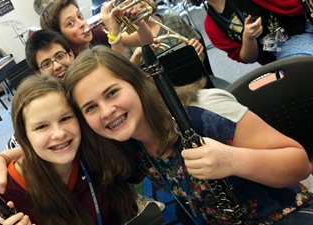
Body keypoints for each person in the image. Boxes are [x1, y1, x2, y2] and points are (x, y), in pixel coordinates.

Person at [63, 46, 313, 224]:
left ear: (137, 82)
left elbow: (300, 163)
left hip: (285, 214)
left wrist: (231, 161)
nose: (107, 111)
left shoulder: (204, 111)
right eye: (91, 107)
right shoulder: (124, 143)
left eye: (112, 93)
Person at [0, 75, 140, 225]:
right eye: (41, 126)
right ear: (24, 135)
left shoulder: (95, 153)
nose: (59, 133)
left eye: (66, 118)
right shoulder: (2, 195)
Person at [196, 0, 313, 65]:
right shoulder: (212, 26)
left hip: (303, 20)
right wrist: (248, 38)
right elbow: (249, 58)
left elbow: (293, 5)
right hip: (283, 44)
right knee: (302, 65)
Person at [39, 0, 154, 57]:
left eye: (80, 16)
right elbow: (122, 75)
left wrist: (139, 22)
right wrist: (114, 34)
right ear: (59, 35)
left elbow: (146, 42)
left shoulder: (97, 33)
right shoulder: (69, 63)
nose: (82, 23)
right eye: (70, 23)